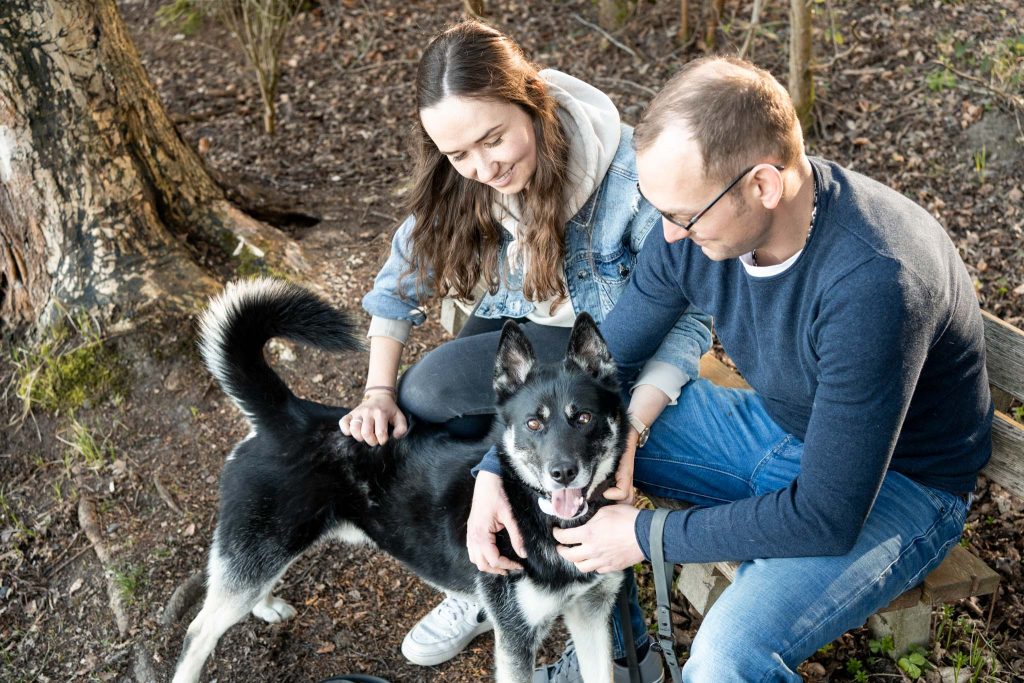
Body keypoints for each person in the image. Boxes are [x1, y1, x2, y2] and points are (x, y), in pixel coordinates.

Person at [472, 56, 993, 682]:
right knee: (562, 443)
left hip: (897, 487)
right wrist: (489, 472)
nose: (667, 236)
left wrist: (644, 535)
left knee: (723, 661)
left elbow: (827, 514)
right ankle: (612, 650)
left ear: (764, 186)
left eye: (684, 215)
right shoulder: (696, 235)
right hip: (775, 430)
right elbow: (603, 367)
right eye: (656, 207)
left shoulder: (874, 282)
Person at [341, 20, 710, 680]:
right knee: (421, 404)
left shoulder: (628, 178)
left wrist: (633, 427)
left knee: (435, 388)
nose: (482, 167)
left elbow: (685, 321)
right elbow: (397, 284)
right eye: (459, 154)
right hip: (524, 333)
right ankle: (491, 574)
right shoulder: (461, 178)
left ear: (533, 101)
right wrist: (374, 390)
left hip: (607, 355)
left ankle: (614, 642)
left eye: (493, 137)